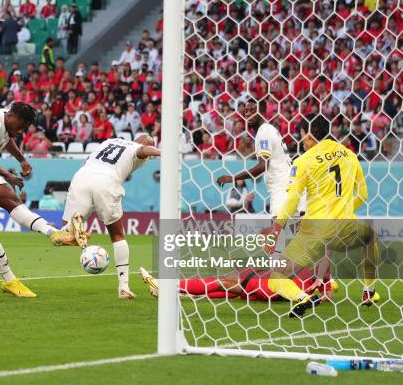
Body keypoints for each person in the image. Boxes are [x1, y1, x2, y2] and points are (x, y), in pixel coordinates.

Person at [0, 103, 84, 297]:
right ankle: (9, 280)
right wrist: (6, 173)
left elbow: (7, 139)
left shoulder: (8, 123)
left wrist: (22, 159)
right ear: (11, 116)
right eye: (20, 126)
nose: (20, 131)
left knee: (11, 199)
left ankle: (54, 233)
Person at [264, 114, 378, 318]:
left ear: (309, 135)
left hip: (315, 230)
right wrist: (344, 210)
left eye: (302, 136)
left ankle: (302, 298)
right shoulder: (349, 155)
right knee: (370, 238)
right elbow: (363, 194)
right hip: (345, 226)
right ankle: (368, 291)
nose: (302, 141)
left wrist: (276, 229)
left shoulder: (304, 161)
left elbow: (292, 200)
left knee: (276, 278)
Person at [60, 135, 161, 298]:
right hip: (106, 181)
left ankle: (73, 227)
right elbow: (143, 149)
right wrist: (161, 152)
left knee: (64, 234)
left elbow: (86, 162)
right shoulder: (136, 148)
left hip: (82, 176)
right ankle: (123, 287)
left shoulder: (109, 141)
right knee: (117, 235)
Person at [217, 99, 303, 252]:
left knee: (276, 237)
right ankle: (316, 272)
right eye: (246, 111)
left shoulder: (264, 133)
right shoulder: (269, 130)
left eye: (252, 110)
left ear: (262, 112)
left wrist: (233, 178)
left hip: (282, 187)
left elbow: (262, 166)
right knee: (297, 232)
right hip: (290, 184)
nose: (248, 114)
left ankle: (276, 271)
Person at [139, 265, 337, 301]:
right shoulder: (321, 274)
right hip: (267, 284)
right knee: (230, 291)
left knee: (222, 283)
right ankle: (174, 292)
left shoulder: (315, 270)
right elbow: (328, 295)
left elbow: (328, 294)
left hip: (267, 284)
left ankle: (165, 285)